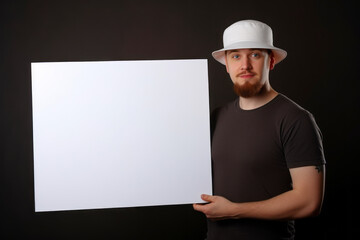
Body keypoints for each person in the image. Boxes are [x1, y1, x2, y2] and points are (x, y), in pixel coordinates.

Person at [193, 20, 326, 240]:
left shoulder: (296, 119)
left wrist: (233, 210)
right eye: (235, 56)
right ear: (226, 64)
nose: (244, 65)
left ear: (271, 61)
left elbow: (309, 202)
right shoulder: (217, 117)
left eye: (255, 54)